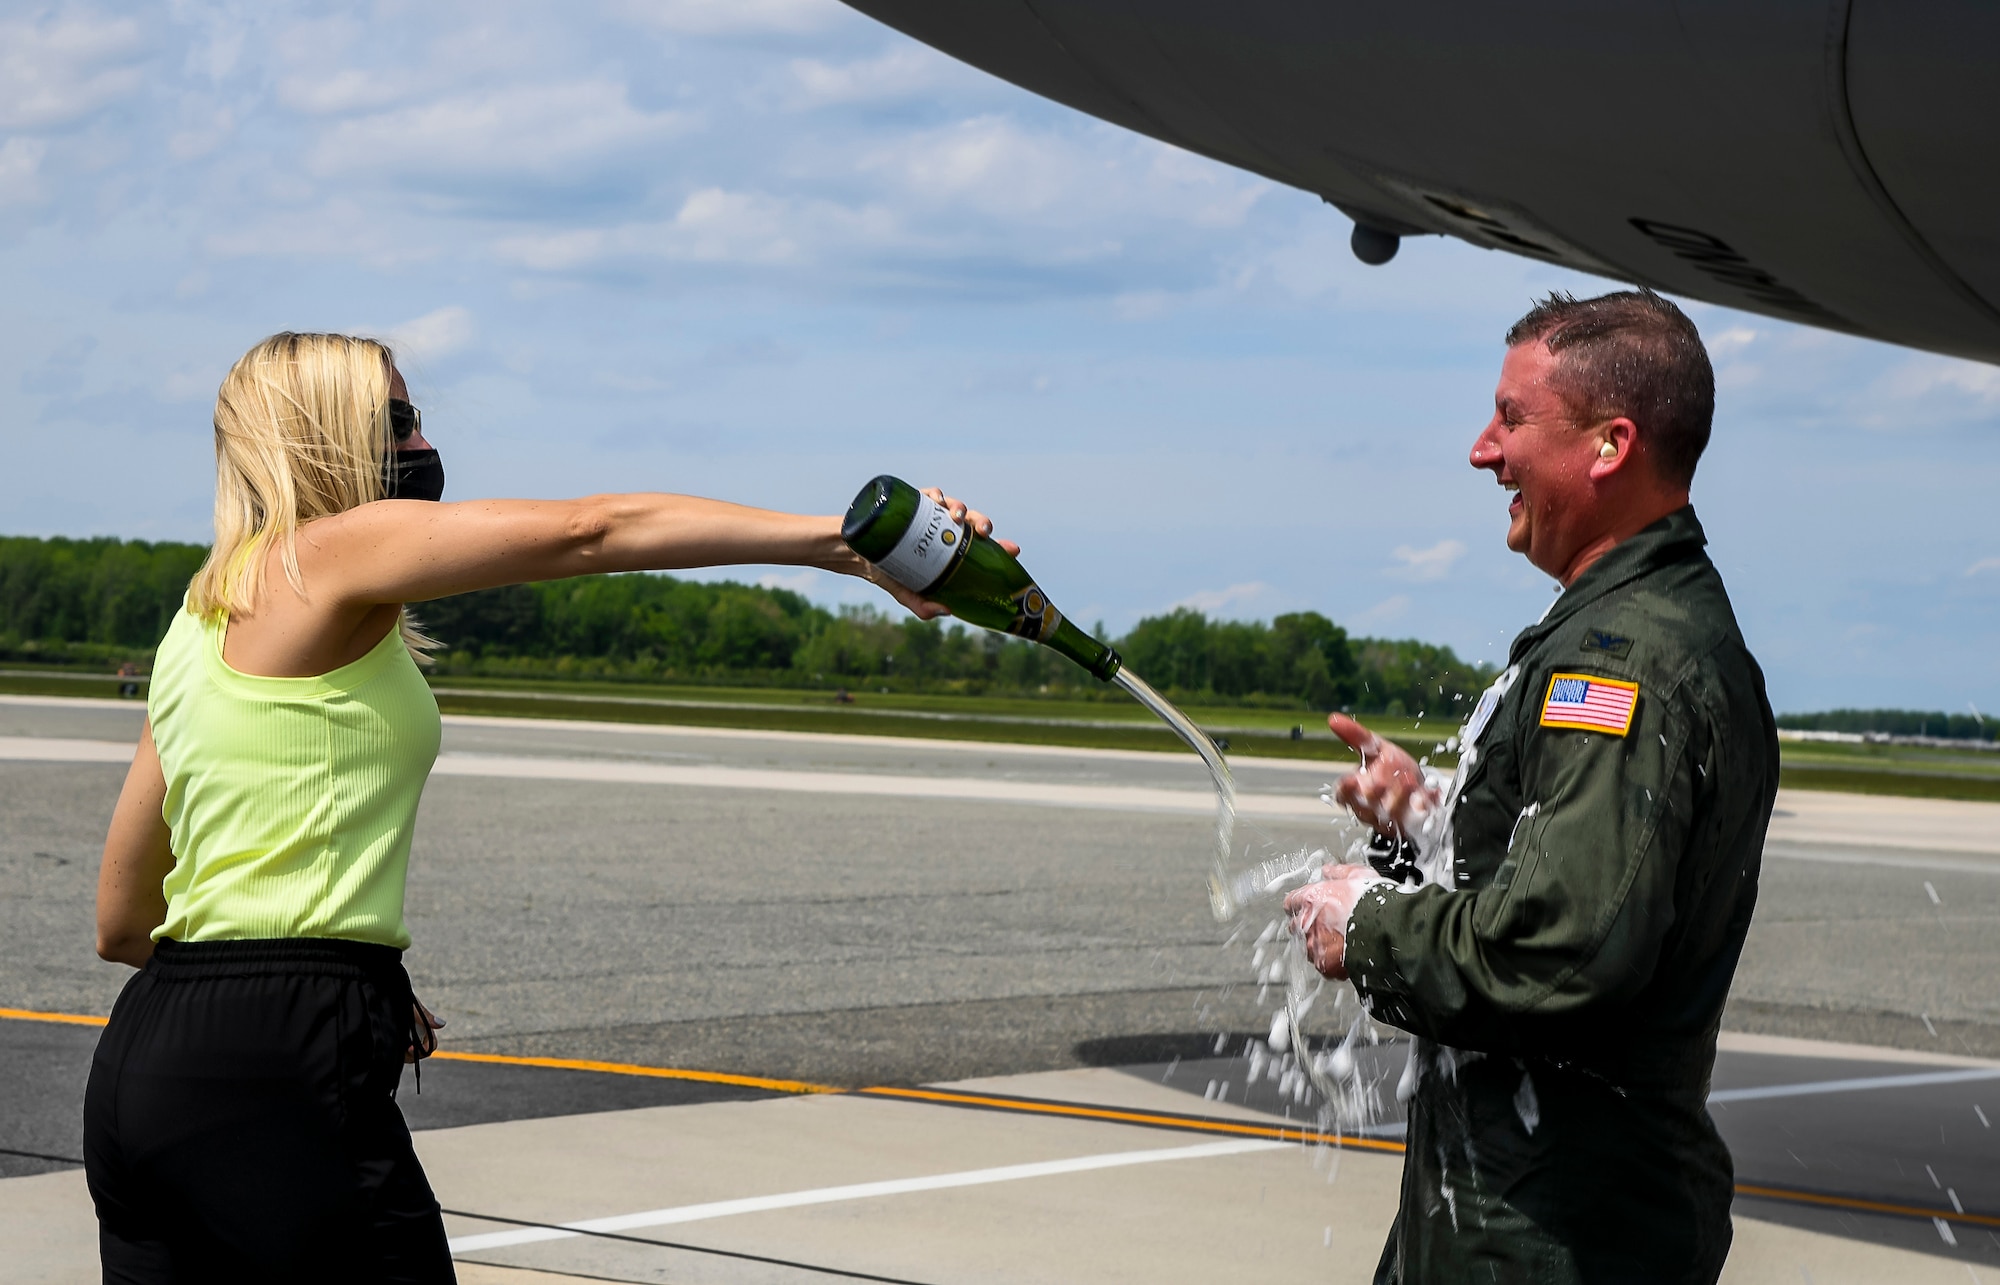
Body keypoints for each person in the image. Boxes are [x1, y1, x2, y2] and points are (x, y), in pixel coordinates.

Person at [85, 331, 1003, 1283]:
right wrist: (844, 545)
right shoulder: (327, 554)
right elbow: (591, 531)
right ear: (330, 437)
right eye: (398, 421)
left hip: (144, 1068)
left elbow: (119, 923)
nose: (421, 442)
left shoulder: (193, 629)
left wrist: (316, 975)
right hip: (279, 1071)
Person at [1285, 290, 1778, 1284]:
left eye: (1511, 419)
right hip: (1527, 1209)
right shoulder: (1629, 627)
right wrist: (1428, 830)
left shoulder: (1620, 663)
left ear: (1607, 445)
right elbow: (1586, 887)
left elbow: (1564, 952)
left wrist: (1368, 927)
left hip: (1551, 1232)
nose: (1482, 451)